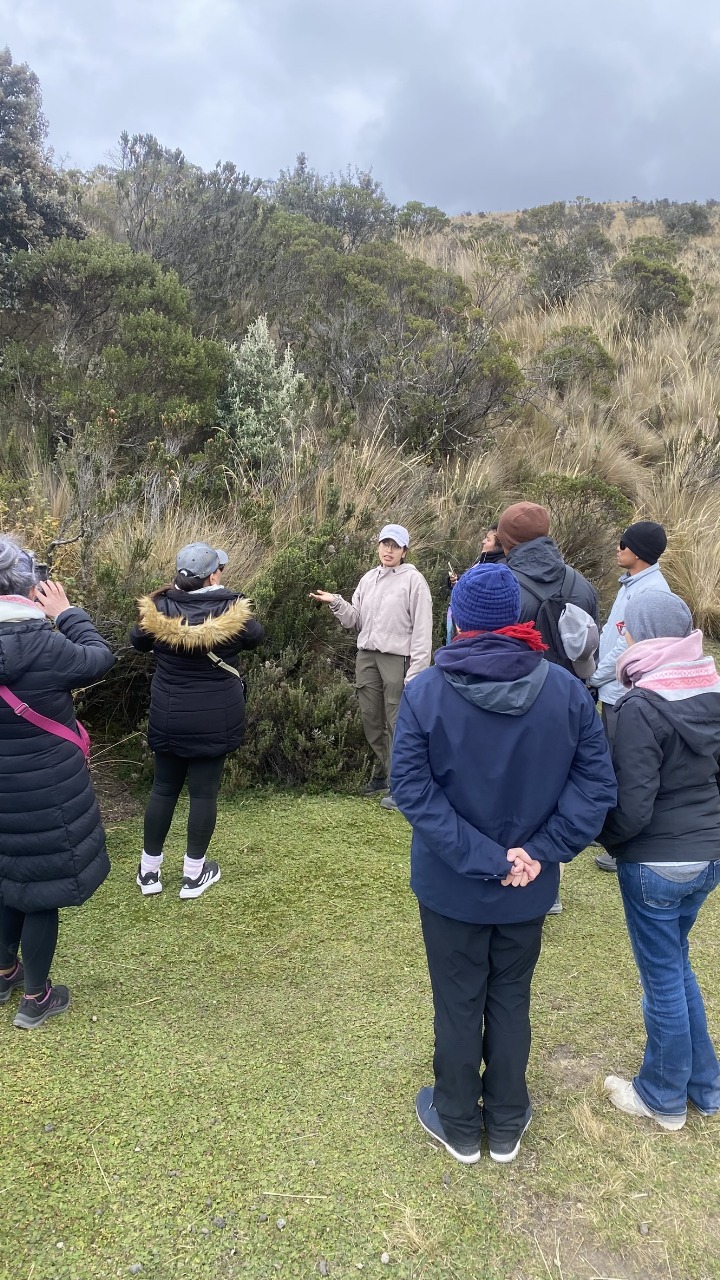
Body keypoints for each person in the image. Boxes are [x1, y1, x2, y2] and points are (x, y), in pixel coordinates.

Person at [391, 564, 616, 1164]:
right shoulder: (566, 691)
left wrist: (507, 857)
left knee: (459, 999)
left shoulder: (426, 691)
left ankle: (460, 1121)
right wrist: (531, 855)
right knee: (510, 995)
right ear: (517, 618)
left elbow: (411, 790)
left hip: (456, 883)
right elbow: (596, 788)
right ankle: (505, 1119)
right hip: (523, 883)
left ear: (458, 620)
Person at [597, 590, 720, 1131]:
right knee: (677, 964)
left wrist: (608, 841)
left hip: (656, 863)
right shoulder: (711, 688)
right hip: (708, 855)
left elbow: (634, 804)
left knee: (663, 979)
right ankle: (706, 1086)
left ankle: (663, 1097)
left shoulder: (639, 706)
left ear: (638, 634)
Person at [0, 537, 114, 1029]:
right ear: (31, 586)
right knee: (41, 889)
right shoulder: (46, 645)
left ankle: (4, 973)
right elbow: (99, 658)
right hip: (46, 793)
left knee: (6, 880)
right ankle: (36, 998)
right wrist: (67, 613)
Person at [131, 542, 264, 899]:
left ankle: (149, 872)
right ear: (213, 575)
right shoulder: (232, 609)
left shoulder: (158, 607)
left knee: (163, 789)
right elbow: (256, 637)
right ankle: (193, 875)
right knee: (204, 793)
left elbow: (137, 641)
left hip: (169, 713)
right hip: (216, 715)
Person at [497, 502, 600, 914]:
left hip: (512, 704)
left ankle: (507, 868)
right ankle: (547, 878)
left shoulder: (502, 583)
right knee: (557, 791)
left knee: (509, 789)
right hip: (569, 705)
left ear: (506, 541)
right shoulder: (582, 585)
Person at [310, 524, 432, 811]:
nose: (389, 550)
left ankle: (402, 787)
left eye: (395, 546)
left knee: (398, 722)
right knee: (371, 720)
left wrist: (416, 673)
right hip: (366, 657)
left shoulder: (414, 581)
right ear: (378, 546)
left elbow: (422, 631)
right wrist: (336, 602)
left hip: (397, 660)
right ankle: (382, 776)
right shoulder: (368, 579)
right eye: (385, 544)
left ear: (404, 551)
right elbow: (356, 621)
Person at [589, 521, 670, 872]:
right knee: (611, 759)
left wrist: (593, 675)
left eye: (623, 543)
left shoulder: (650, 591)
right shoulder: (632, 584)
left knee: (626, 766)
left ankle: (620, 843)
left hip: (626, 692)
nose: (617, 548)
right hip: (614, 689)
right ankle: (607, 826)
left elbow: (627, 646)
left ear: (638, 552)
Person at [446, 525, 505, 643]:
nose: (483, 542)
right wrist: (457, 580)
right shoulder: (483, 560)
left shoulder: (498, 569)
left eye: (488, 540)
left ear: (498, 546)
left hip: (474, 632)